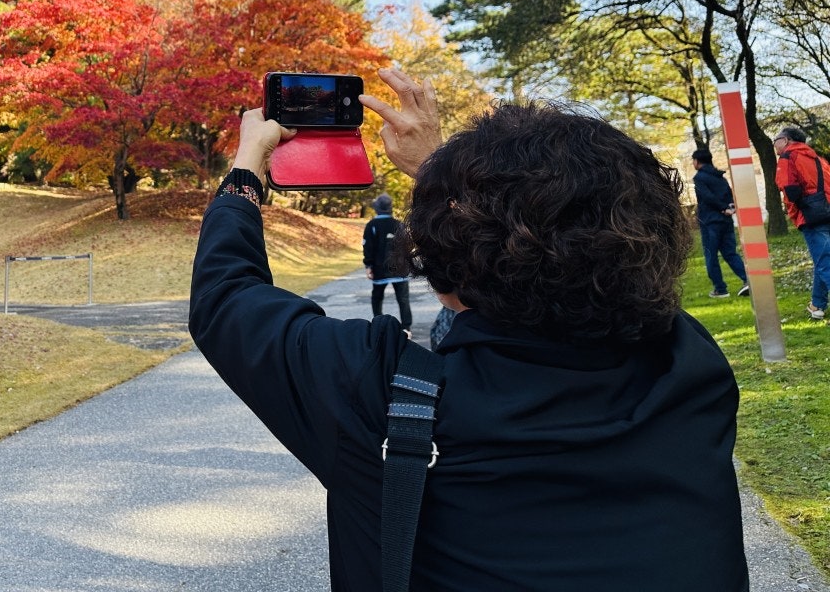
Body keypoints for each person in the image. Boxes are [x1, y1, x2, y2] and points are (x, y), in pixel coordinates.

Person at [190, 69, 747, 591]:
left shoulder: (386, 395)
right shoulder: (691, 369)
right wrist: (446, 174)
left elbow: (227, 297)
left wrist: (247, 169)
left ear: (444, 270)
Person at [773, 125, 830, 320]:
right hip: (827, 210)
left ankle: (818, 305)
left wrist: (794, 209)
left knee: (824, 262)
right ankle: (817, 305)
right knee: (821, 260)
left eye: (776, 139)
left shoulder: (788, 157)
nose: (774, 143)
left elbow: (789, 189)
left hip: (811, 216)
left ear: (786, 140)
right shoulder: (818, 159)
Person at [689, 148, 749, 298]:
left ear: (697, 161)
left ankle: (720, 288)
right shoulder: (720, 177)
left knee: (711, 255)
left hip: (710, 221)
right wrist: (729, 207)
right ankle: (748, 280)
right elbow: (729, 193)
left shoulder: (699, 178)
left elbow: (707, 197)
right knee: (730, 252)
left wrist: (722, 208)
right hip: (726, 220)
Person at [363, 192, 411, 332]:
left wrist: (368, 265)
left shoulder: (372, 225)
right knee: (403, 299)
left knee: (377, 297)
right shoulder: (399, 224)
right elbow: (407, 246)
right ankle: (406, 327)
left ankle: (378, 324)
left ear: (377, 208)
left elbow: (368, 247)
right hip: (400, 268)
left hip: (379, 268)